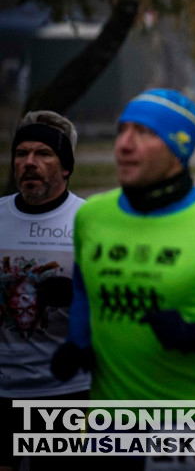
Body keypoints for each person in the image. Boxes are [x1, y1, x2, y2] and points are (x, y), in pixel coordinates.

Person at [51, 88, 195, 470]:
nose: (125, 145)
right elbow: (83, 288)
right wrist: (78, 341)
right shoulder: (93, 216)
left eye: (144, 133)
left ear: (179, 147)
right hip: (111, 423)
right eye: (122, 130)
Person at [1, 112, 87, 471]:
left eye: (43, 154)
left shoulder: (89, 221)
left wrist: (79, 296)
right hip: (4, 389)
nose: (29, 163)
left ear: (66, 167)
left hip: (66, 390)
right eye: (21, 154)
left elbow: (121, 307)